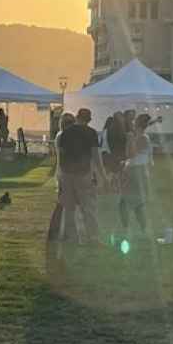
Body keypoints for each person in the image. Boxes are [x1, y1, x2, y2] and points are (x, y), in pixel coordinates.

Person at [48, 107, 104, 260]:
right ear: (89, 119)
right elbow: (95, 156)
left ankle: (73, 238)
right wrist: (102, 175)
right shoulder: (91, 133)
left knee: (69, 209)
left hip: (67, 173)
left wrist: (62, 174)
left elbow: (62, 155)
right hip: (83, 173)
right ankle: (93, 238)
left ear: (78, 117)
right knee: (88, 207)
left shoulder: (65, 133)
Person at [118, 113, 155, 238]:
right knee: (134, 204)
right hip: (135, 171)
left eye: (134, 122)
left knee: (128, 203)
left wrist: (129, 139)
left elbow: (131, 154)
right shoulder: (140, 137)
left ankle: (132, 230)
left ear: (137, 124)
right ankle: (141, 230)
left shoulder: (142, 138)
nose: (132, 124)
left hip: (137, 173)